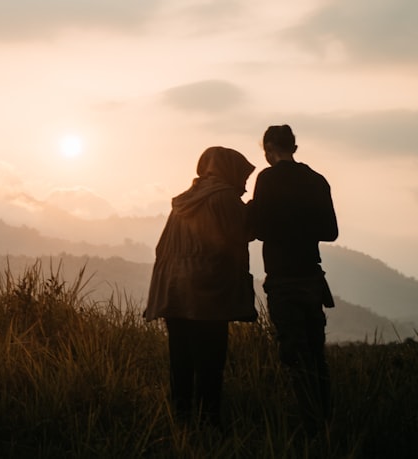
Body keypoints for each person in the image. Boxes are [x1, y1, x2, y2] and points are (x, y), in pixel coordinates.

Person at [144, 146, 258, 427]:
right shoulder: (224, 198)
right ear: (229, 171)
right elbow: (242, 234)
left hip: (173, 292)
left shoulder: (185, 200)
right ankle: (209, 426)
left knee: (180, 363)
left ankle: (181, 423)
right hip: (207, 295)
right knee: (210, 364)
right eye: (242, 177)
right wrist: (256, 208)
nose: (244, 185)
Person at [247, 124, 338, 436]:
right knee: (316, 355)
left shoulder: (267, 178)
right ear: (294, 147)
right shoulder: (316, 180)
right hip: (312, 277)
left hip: (283, 278)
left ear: (270, 148)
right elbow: (331, 232)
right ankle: (325, 422)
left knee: (294, 356)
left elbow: (257, 228)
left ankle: (310, 427)